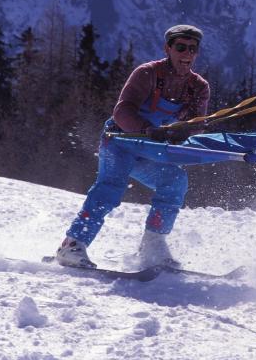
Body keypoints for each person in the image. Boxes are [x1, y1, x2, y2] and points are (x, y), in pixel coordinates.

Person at [55, 24, 211, 269]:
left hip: (150, 148)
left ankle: (153, 246)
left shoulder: (199, 87)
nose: (187, 54)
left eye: (193, 49)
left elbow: (195, 125)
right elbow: (122, 111)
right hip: (120, 142)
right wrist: (147, 129)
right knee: (111, 187)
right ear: (168, 48)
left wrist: (182, 132)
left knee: (175, 181)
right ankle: (72, 245)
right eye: (181, 47)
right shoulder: (147, 73)